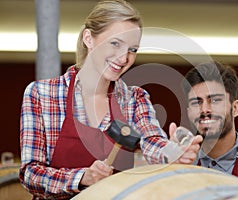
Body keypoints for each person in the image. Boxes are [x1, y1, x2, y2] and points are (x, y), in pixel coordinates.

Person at [19, 1, 202, 199]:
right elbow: (30, 174)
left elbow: (152, 141)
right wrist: (82, 177)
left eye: (133, 49)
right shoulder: (42, 94)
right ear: (88, 38)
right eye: (115, 43)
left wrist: (173, 153)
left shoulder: (134, 99)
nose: (124, 58)